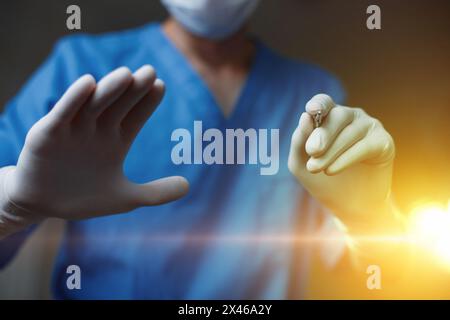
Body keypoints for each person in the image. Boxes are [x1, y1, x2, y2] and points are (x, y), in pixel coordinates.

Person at [0, 0, 400, 299]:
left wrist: (371, 220)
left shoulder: (313, 98)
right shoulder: (79, 69)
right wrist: (10, 206)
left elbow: (374, 279)